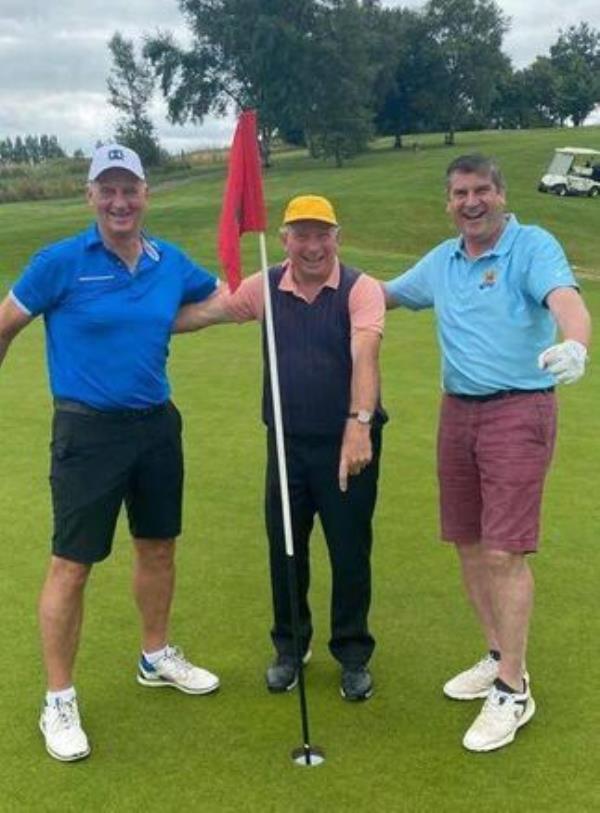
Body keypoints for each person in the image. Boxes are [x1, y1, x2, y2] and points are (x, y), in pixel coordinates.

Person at [0, 144, 221, 763]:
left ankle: (155, 654)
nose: (120, 201)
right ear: (90, 196)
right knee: (71, 565)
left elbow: (216, 298)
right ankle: (58, 697)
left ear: (147, 195)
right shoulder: (60, 262)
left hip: (156, 427)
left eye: (131, 189)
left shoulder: (166, 261)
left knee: (158, 546)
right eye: (108, 189)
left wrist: (267, 294)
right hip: (87, 432)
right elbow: (5, 324)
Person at [385, 154, 591, 752]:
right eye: (459, 193)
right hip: (459, 414)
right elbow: (383, 293)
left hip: (518, 411)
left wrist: (575, 342)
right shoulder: (443, 260)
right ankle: (500, 656)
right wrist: (309, 277)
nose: (470, 202)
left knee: (503, 553)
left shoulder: (531, 246)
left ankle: (512, 690)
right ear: (448, 202)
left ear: (500, 194)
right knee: (470, 544)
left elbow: (565, 301)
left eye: (481, 191)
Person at [175, 195, 386, 701]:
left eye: (322, 234)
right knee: (286, 549)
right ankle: (291, 647)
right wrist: (136, 322)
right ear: (285, 239)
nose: (312, 246)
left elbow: (365, 351)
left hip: (347, 443)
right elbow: (208, 313)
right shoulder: (265, 285)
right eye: (301, 235)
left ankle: (353, 654)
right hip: (286, 442)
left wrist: (359, 423)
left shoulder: (361, 289)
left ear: (337, 236)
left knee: (349, 549)